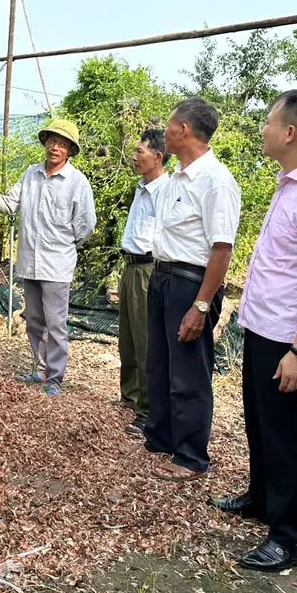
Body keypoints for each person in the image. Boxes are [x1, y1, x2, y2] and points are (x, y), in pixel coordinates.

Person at [209, 89, 297, 572]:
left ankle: (289, 537)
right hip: (262, 327)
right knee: (261, 424)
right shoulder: (289, 184)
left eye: (270, 121)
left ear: (290, 132)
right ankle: (261, 499)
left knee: (288, 434)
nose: (264, 128)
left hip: (290, 338)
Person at [0, 119, 97, 396]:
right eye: (51, 141)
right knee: (34, 318)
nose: (54, 147)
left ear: (70, 150)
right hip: (30, 262)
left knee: (56, 323)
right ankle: (39, 368)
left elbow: (85, 226)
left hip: (57, 264)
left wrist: (65, 246)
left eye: (61, 143)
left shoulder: (77, 182)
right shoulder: (31, 175)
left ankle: (55, 378)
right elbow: (11, 203)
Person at [145, 97, 241, 482]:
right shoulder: (173, 180)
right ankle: (161, 437)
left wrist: (201, 305)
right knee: (161, 363)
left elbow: (222, 249)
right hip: (163, 275)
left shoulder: (216, 180)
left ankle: (190, 455)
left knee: (188, 370)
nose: (163, 133)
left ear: (183, 130)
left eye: (168, 126)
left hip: (191, 282)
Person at [118, 129, 170, 436]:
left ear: (158, 156)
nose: (134, 156)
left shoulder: (165, 190)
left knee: (146, 338)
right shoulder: (141, 187)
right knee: (128, 335)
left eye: (140, 152)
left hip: (149, 268)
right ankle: (130, 396)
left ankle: (148, 408)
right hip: (130, 265)